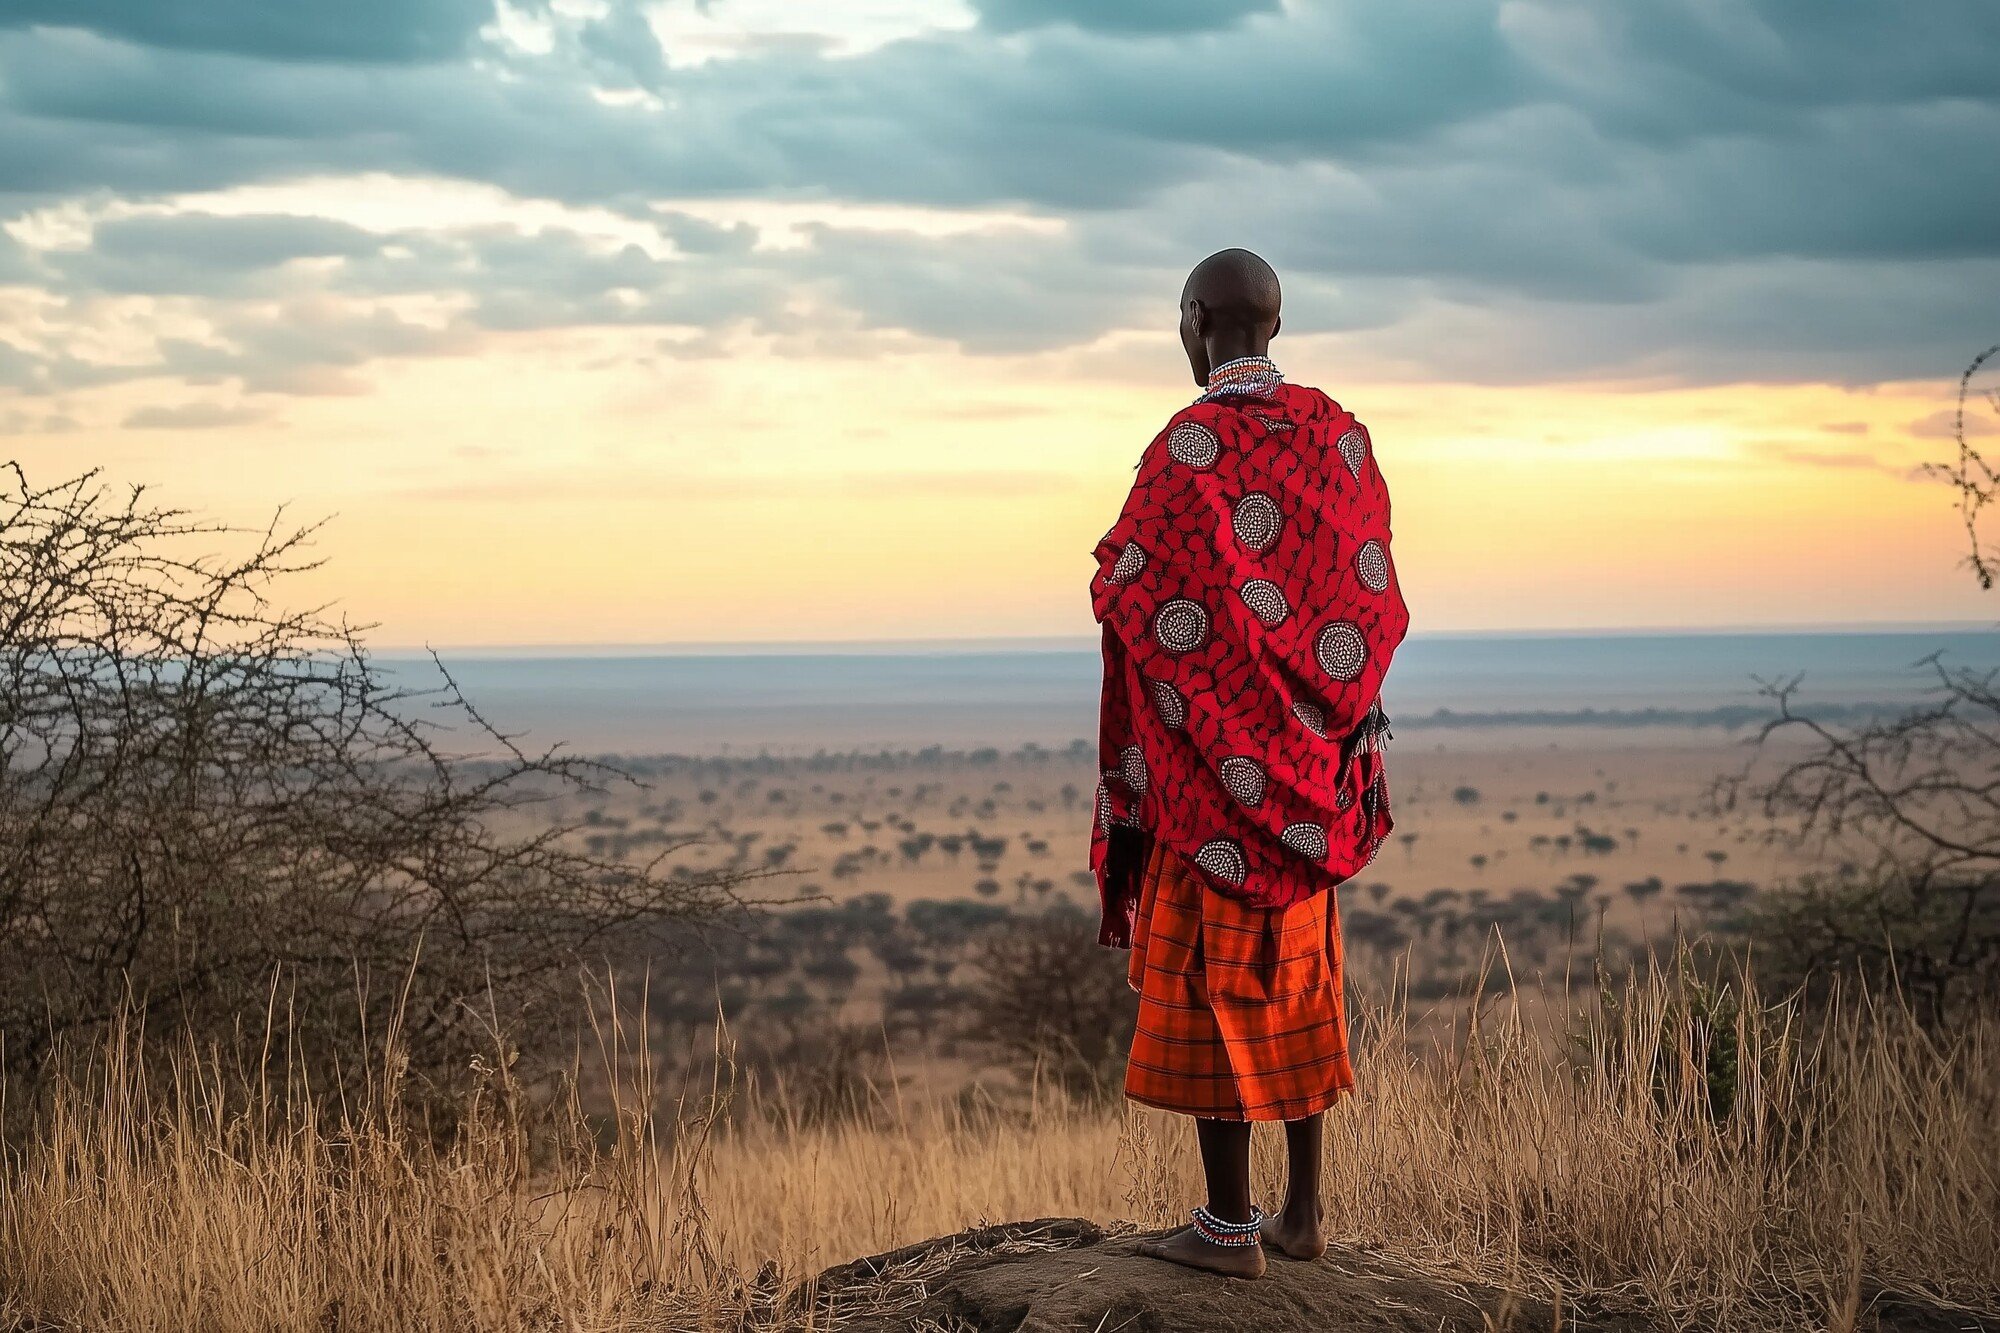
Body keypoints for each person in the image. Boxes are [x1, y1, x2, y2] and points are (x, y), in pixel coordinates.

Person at [1089, 248, 1410, 1278]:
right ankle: (1303, 1214)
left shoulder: (1184, 447)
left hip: (1207, 785)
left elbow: (1128, 586)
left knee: (1210, 983)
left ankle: (1227, 1229)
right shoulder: (1339, 438)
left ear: (1194, 322)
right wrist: (1314, 717)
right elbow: (1369, 599)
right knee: (1299, 983)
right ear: (1270, 324)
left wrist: (1207, 705)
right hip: (1311, 779)